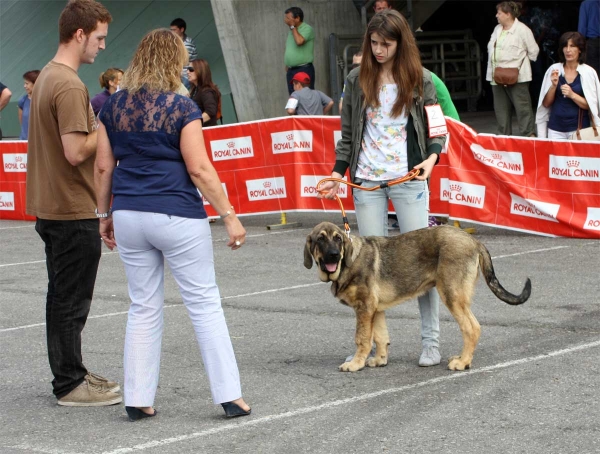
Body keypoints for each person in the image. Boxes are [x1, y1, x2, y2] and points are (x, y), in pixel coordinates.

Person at [94, 28, 251, 421]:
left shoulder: (112, 106)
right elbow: (199, 169)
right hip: (175, 212)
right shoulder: (180, 108)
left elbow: (102, 166)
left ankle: (137, 398)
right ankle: (230, 397)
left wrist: (104, 214)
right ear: (173, 62)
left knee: (142, 306)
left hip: (129, 212)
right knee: (204, 303)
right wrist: (229, 214)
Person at [318, 10, 445, 367]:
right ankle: (378, 347)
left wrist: (430, 161)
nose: (378, 50)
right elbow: (347, 138)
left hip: (408, 180)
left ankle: (431, 342)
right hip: (367, 182)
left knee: (425, 266)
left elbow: (438, 131)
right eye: (373, 43)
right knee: (363, 273)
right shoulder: (356, 78)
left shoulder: (420, 79)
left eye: (386, 43)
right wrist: (336, 174)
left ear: (400, 42)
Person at [25, 0, 121, 406]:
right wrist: (110, 122)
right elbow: (75, 151)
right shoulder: (67, 84)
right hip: (71, 208)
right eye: (98, 38)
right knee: (70, 301)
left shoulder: (48, 75)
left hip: (53, 206)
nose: (101, 47)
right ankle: (69, 384)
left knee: (61, 297)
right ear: (79, 34)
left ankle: (72, 372)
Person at [486, 1, 539, 137]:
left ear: (508, 14)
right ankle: (504, 140)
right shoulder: (497, 29)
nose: (496, 16)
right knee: (501, 111)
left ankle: (529, 138)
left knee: (523, 110)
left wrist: (519, 66)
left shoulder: (523, 30)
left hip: (518, 77)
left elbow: (534, 52)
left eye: (499, 13)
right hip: (496, 76)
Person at [535, 31, 600, 139]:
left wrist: (572, 95)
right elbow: (546, 104)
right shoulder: (554, 70)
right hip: (555, 128)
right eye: (565, 46)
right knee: (555, 156)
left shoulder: (588, 72)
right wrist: (553, 86)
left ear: (580, 49)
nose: (568, 50)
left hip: (579, 130)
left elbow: (592, 106)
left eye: (572, 46)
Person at [284, 6, 315, 95]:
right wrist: (288, 64)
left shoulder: (307, 29)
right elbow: (290, 47)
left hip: (303, 69)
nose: (286, 20)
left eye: (288, 18)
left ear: (297, 18)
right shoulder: (292, 30)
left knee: (306, 96)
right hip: (291, 70)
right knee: (293, 96)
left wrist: (292, 27)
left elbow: (299, 41)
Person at [187, 59, 221, 127]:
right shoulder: (195, 90)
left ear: (200, 70)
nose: (187, 72)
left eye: (191, 69)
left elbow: (210, 112)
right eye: (187, 69)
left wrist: (192, 123)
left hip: (207, 132)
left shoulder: (206, 91)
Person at [170, 18, 197, 89]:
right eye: (171, 30)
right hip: (177, 76)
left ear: (182, 29)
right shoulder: (175, 42)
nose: (172, 32)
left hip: (185, 76)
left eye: (174, 30)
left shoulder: (187, 44)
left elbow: (183, 61)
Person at [578, 0, 600, 76]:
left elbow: (582, 27)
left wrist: (580, 45)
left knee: (593, 71)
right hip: (593, 42)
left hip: (593, 43)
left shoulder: (586, 3)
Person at [18, 70, 40, 140]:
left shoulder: (45, 100)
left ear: (35, 84)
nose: (24, 86)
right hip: (24, 141)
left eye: (27, 83)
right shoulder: (22, 100)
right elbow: (22, 121)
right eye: (24, 83)